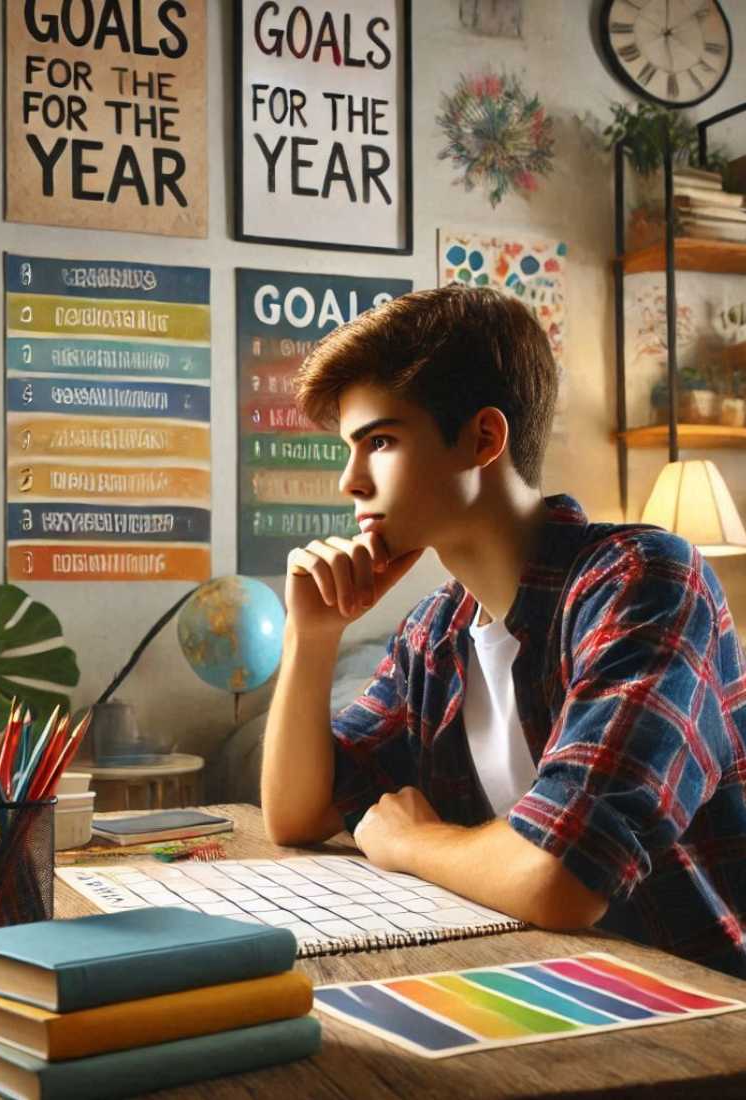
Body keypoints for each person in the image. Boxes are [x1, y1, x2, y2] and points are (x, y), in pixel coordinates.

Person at [260, 284, 746, 978]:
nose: (350, 481)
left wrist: (415, 843)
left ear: (484, 439)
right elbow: (297, 814)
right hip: (549, 988)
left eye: (381, 441)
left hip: (705, 1023)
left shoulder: (643, 581)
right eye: (350, 448)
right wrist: (311, 635)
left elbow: (565, 878)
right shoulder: (437, 630)